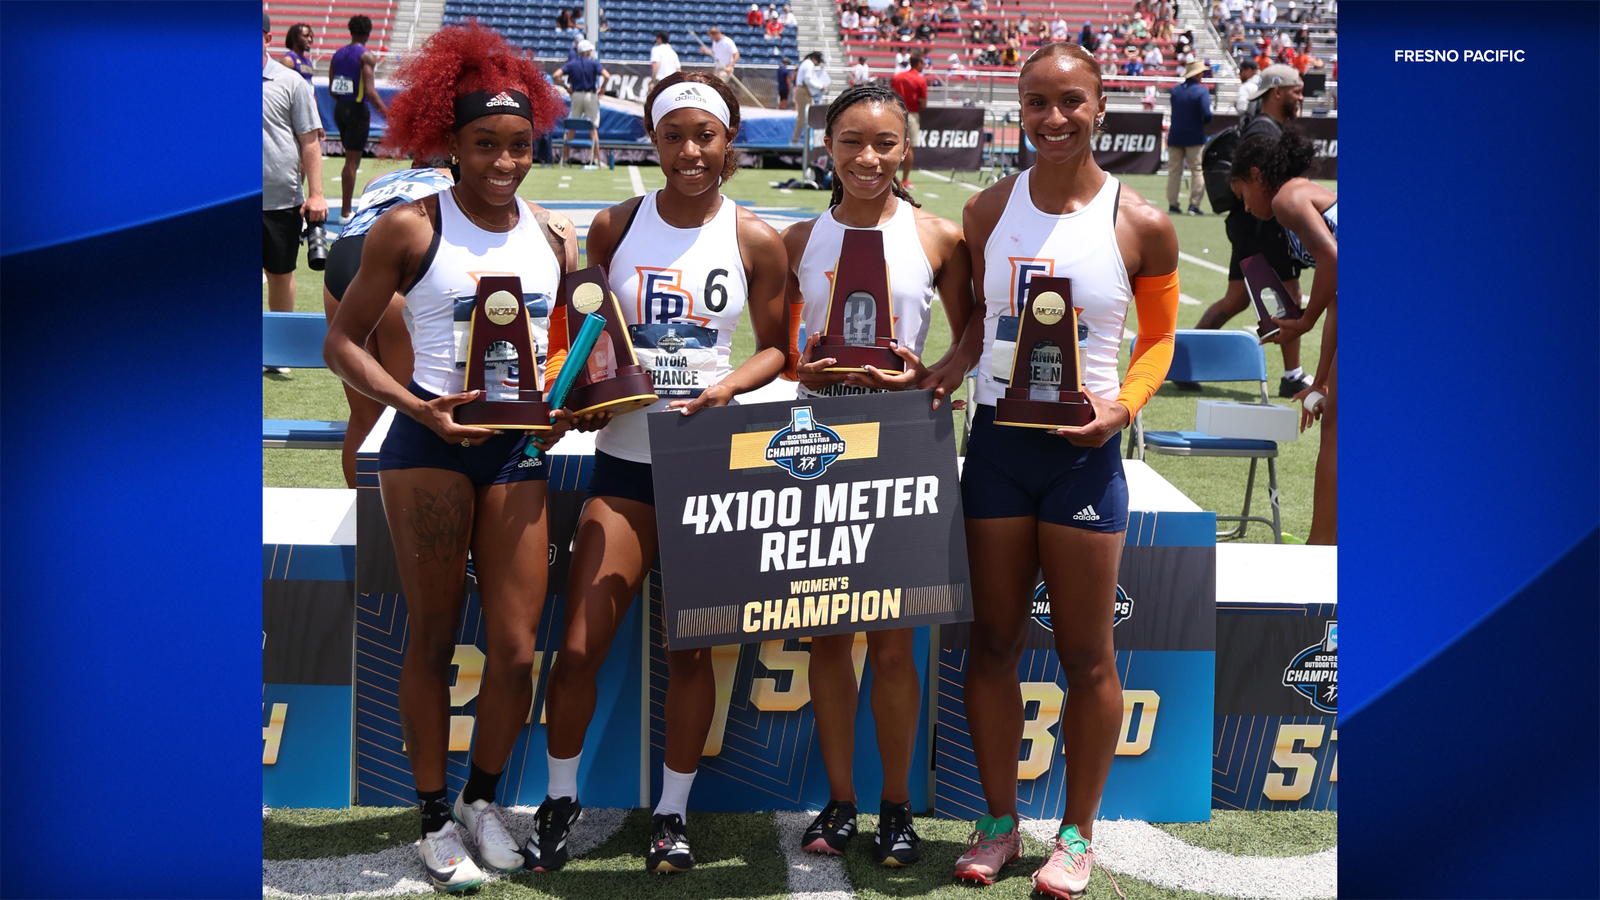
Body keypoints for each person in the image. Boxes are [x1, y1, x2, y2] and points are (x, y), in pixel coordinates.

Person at [322, 21, 575, 892]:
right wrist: (415, 405)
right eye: (484, 145)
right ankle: (431, 818)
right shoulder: (409, 226)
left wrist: (569, 401)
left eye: (518, 145)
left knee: (512, 652)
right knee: (433, 639)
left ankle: (481, 801)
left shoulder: (551, 230)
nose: (504, 162)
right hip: (426, 448)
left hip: (512, 454)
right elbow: (342, 344)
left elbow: (565, 348)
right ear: (450, 145)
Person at [537, 72, 789, 876]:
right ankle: (559, 797)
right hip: (624, 463)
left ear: (728, 144)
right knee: (578, 649)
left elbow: (780, 346)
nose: (689, 151)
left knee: (691, 656)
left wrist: (729, 387)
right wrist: (574, 394)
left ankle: (673, 814)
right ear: (654, 140)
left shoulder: (753, 236)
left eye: (705, 136)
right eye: (674, 135)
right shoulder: (613, 226)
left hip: (709, 465)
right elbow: (577, 333)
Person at [948, 41, 1178, 899]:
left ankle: (1077, 836)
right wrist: (946, 368)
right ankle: (1001, 822)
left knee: (1087, 655)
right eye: (1037, 102)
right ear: (1017, 104)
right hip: (998, 453)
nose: (1053, 119)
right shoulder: (985, 210)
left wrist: (1124, 406)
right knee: (994, 643)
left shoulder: (1140, 222)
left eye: (1070, 102)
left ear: (1100, 105)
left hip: (1086, 460)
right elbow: (976, 323)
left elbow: (1157, 339)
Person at [781, 81, 975, 867]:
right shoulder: (795, 240)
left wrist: (927, 377)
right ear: (826, 147)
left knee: (894, 644)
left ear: (908, 150)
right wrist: (805, 369)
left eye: (884, 143)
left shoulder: (938, 236)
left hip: (904, 441)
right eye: (851, 142)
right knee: (829, 640)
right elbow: (771, 348)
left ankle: (896, 804)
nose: (868, 158)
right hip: (814, 441)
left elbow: (969, 343)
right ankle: (840, 800)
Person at [320, 159, 455, 487]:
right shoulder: (453, 179)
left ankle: (360, 517)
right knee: (414, 413)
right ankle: (404, 525)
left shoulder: (381, 178)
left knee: (364, 415)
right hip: (394, 256)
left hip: (343, 256)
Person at [1234, 128, 1336, 544]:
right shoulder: (1307, 195)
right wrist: (1322, 379)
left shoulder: (1285, 199)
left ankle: (1321, 546)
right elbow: (1340, 301)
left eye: (1242, 193)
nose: (1245, 205)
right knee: (1340, 427)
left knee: (1335, 438)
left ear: (1257, 175)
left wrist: (1305, 322)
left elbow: (1333, 258)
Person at [1189, 64, 1312, 397]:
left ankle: (1184, 362)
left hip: (1247, 225)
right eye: (1296, 90)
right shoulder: (1264, 130)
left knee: (1236, 299)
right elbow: (1263, 186)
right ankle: (1292, 375)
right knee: (1291, 297)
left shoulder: (1264, 126)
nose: (1301, 96)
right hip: (1262, 226)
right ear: (1277, 91)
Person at [263, 12, 327, 317]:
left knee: (280, 274)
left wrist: (316, 193)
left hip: (281, 200)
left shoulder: (291, 83)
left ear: (267, 39)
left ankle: (277, 350)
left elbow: (310, 142)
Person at [329, 15, 391, 223]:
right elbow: (371, 92)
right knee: (352, 163)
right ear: (368, 32)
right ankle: (346, 212)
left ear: (351, 31)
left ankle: (346, 210)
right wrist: (388, 114)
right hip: (357, 110)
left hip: (340, 108)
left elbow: (332, 89)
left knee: (349, 159)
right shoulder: (366, 56)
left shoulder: (337, 55)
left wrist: (344, 102)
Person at [554, 40, 610, 168]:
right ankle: (595, 159)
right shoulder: (594, 63)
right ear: (588, 51)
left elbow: (556, 75)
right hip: (590, 95)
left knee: (572, 126)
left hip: (576, 94)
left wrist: (566, 87)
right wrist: (602, 88)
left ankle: (566, 158)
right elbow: (607, 75)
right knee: (592, 127)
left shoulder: (572, 64)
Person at [1166, 58, 1211, 215]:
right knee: (1197, 170)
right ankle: (1194, 205)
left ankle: (1173, 205)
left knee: (1174, 171)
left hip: (1175, 135)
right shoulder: (1202, 91)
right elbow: (1207, 114)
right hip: (1195, 136)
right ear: (1198, 74)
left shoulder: (1175, 90)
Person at [888, 52, 928, 189]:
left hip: (894, 113)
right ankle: (904, 179)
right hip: (911, 113)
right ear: (919, 63)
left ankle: (887, 177)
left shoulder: (898, 77)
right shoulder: (920, 79)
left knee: (889, 145)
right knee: (909, 147)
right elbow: (923, 103)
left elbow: (889, 94)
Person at [791, 50, 831, 144]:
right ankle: (795, 139)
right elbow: (808, 80)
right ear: (814, 58)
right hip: (803, 91)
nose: (818, 63)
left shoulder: (807, 63)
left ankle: (810, 139)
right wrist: (820, 86)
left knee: (811, 114)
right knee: (802, 116)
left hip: (805, 91)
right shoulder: (809, 64)